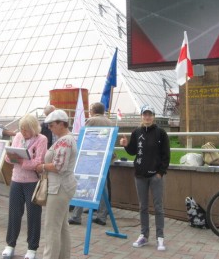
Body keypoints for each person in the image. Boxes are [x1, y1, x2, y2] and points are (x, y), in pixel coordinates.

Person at [119, 105, 170, 251]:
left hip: (156, 175)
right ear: (141, 116)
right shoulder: (137, 132)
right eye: (145, 114)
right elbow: (133, 151)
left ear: (153, 116)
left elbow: (166, 155)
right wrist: (125, 145)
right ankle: (144, 235)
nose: (147, 117)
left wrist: (160, 173)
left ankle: (160, 238)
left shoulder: (161, 133)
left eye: (150, 114)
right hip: (140, 175)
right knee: (143, 207)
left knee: (158, 207)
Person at [1, 115, 47, 259]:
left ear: (34, 129)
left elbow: (38, 162)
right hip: (16, 180)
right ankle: (10, 245)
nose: (23, 132)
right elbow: (8, 158)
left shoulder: (42, 139)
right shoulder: (18, 136)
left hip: (32, 182)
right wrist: (10, 156)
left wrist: (21, 160)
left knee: (33, 215)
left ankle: (32, 248)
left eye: (26, 130)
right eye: (21, 129)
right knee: (14, 213)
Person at [35, 109, 77, 259]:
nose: (50, 128)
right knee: (62, 227)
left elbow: (59, 167)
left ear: (61, 124)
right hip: (63, 187)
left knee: (51, 228)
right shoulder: (66, 139)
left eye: (52, 125)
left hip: (58, 188)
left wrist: (42, 167)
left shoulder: (64, 140)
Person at [69, 102, 113, 226]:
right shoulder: (109, 122)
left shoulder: (91, 121)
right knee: (103, 187)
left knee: (82, 185)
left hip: (90, 157)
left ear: (93, 110)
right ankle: (102, 216)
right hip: (103, 157)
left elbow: (86, 138)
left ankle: (76, 216)